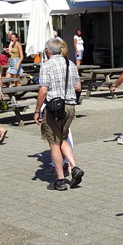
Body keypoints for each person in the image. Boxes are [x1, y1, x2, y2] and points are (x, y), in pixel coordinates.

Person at [34, 38, 83, 191]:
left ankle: (60, 179)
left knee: (54, 143)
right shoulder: (71, 64)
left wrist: (37, 110)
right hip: (70, 106)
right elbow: (78, 87)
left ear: (48, 51)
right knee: (62, 137)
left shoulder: (46, 65)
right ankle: (74, 166)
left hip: (54, 107)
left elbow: (43, 90)